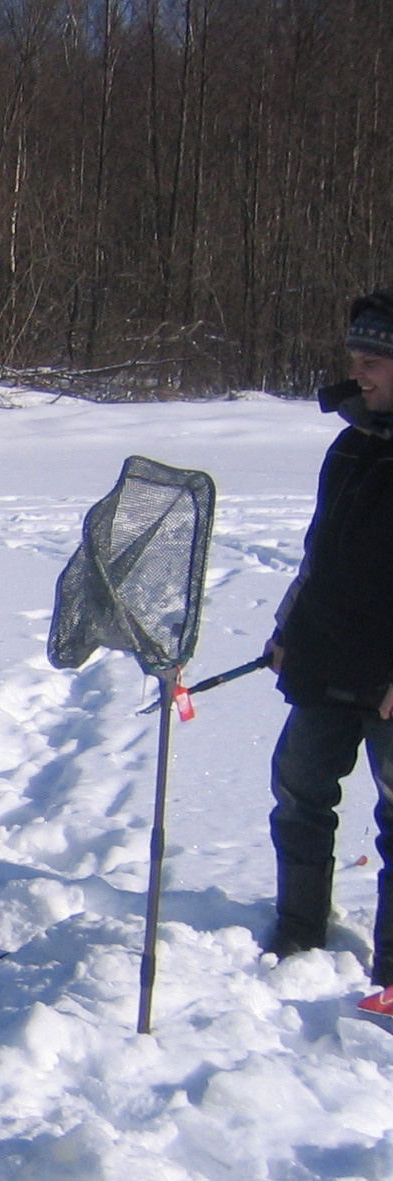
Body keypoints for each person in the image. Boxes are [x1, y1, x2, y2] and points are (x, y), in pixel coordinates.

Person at [266, 286, 393, 1009]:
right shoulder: (350, 446)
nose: (359, 368)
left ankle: (392, 977)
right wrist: (288, 629)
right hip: (327, 662)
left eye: (375, 357)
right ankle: (296, 935)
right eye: (355, 354)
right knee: (300, 793)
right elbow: (319, 559)